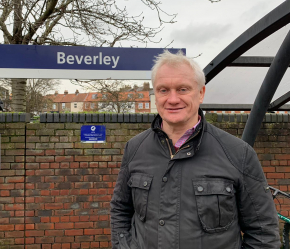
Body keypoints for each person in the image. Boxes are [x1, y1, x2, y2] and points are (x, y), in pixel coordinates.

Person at [110, 51, 280, 249]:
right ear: (155, 95)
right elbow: (120, 209)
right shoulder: (135, 148)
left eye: (183, 89)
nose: (172, 99)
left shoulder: (238, 153)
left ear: (201, 93)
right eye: (163, 90)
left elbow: (263, 233)